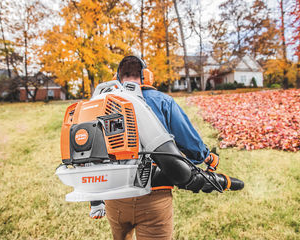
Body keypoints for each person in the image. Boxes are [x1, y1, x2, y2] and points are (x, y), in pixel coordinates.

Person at [89, 56, 220, 240]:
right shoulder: (161, 100)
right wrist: (206, 157)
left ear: (117, 78)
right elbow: (188, 140)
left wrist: (95, 198)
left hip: (116, 196)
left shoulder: (103, 103)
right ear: (146, 76)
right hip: (154, 194)